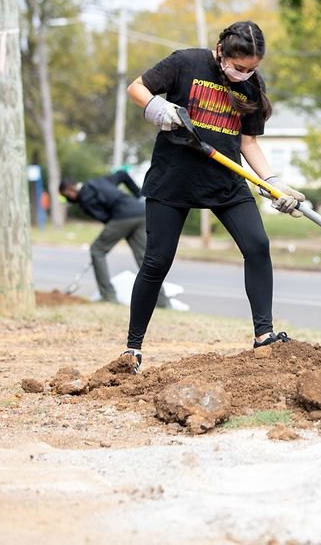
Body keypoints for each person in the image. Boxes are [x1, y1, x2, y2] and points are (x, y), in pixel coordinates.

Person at [121, 20, 304, 372]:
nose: (244, 74)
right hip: (173, 180)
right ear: (221, 52)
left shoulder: (251, 86)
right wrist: (159, 108)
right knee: (157, 262)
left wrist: (271, 181)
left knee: (257, 246)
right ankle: (132, 348)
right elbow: (136, 88)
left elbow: (248, 143)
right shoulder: (185, 62)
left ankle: (263, 336)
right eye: (238, 67)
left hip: (225, 183)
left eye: (251, 69)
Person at [59, 172, 171, 308]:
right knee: (144, 259)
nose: (69, 199)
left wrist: (119, 228)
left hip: (122, 217)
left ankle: (108, 296)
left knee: (97, 250)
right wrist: (138, 194)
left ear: (70, 190)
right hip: (141, 212)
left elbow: (105, 218)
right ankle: (163, 302)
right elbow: (122, 175)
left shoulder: (84, 198)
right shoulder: (99, 181)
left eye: (66, 196)